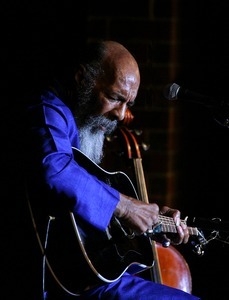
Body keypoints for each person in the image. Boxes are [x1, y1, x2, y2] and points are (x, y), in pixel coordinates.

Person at [22, 40, 201, 299]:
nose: (121, 114)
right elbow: (54, 169)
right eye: (116, 98)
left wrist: (152, 221)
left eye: (128, 104)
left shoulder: (79, 122)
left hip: (89, 276)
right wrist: (127, 207)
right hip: (64, 282)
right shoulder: (47, 108)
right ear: (82, 78)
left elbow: (86, 206)